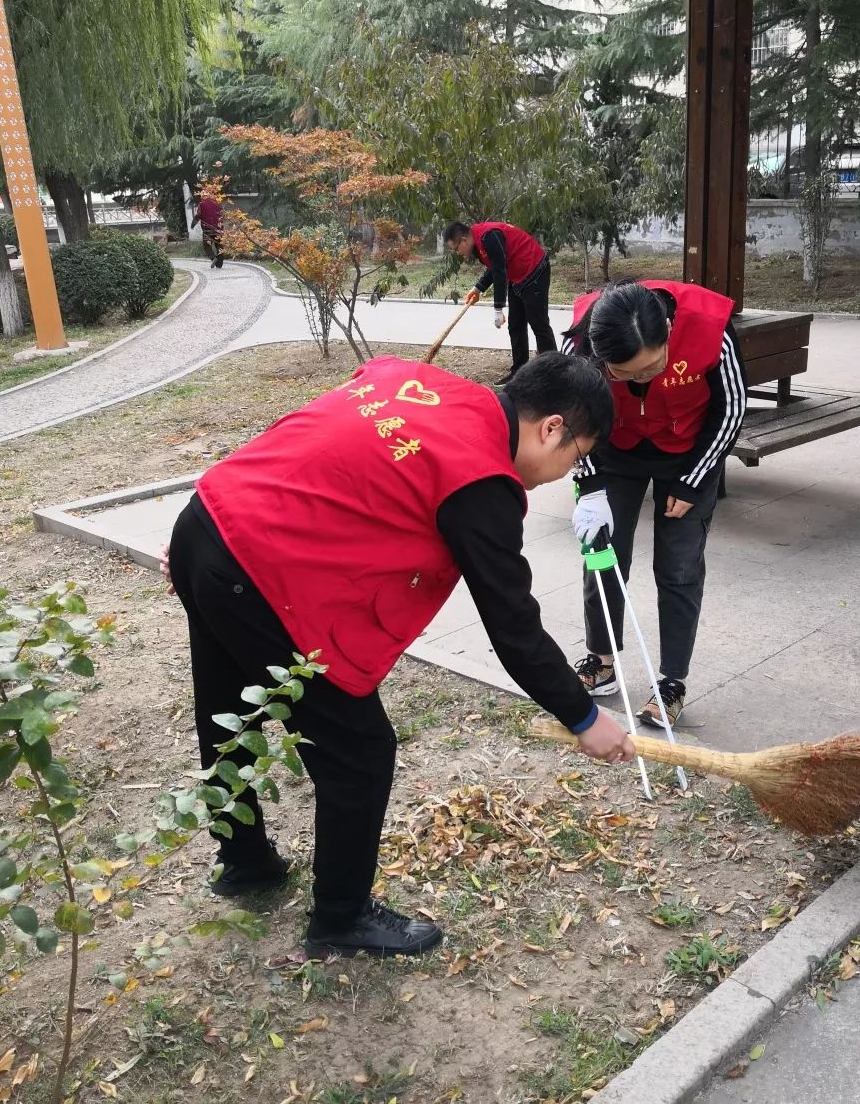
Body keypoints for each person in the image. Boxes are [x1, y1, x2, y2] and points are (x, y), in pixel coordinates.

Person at [161, 352, 635, 962]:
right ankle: (340, 916)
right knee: (359, 751)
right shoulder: (482, 482)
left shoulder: (421, 381)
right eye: (576, 455)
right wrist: (584, 717)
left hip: (210, 519)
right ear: (552, 428)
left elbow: (339, 417)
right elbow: (513, 626)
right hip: (253, 567)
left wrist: (207, 541)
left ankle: (245, 862)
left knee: (229, 714)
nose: (564, 473)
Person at [563, 279, 747, 729]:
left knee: (679, 568)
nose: (641, 379)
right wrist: (588, 485)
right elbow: (568, 413)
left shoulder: (711, 333)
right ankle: (601, 661)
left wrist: (693, 482)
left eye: (650, 367)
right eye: (625, 373)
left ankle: (671, 682)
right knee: (602, 557)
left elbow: (733, 409)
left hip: (687, 456)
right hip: (614, 453)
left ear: (667, 328)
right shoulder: (585, 343)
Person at [444, 220, 557, 385]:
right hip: (517, 275)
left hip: (534, 270)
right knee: (515, 324)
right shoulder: (477, 242)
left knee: (539, 324)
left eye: (456, 249)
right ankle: (519, 373)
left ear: (464, 240)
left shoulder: (488, 236)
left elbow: (499, 269)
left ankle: (554, 373)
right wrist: (478, 288)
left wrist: (498, 308)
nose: (458, 253)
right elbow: (495, 266)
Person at [190, 187, 224, 269]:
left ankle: (213, 258)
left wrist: (193, 224)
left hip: (207, 230)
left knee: (207, 246)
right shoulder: (217, 203)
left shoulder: (202, 204)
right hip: (218, 229)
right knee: (219, 246)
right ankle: (219, 264)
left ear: (204, 196)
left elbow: (198, 216)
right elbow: (222, 215)